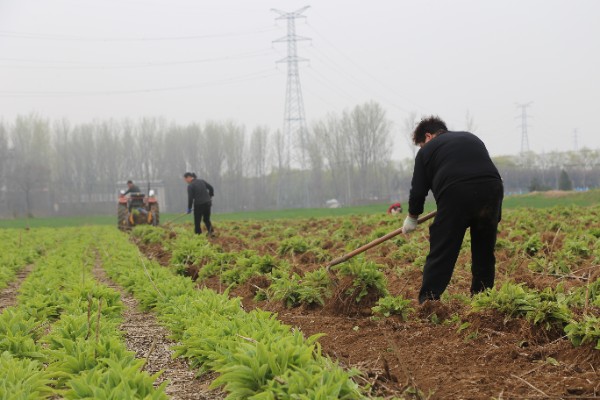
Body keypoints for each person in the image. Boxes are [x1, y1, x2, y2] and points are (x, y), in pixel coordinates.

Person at [402, 116, 503, 304]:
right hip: (492, 189)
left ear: (428, 136)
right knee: (484, 249)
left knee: (442, 248)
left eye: (421, 145)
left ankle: (429, 302)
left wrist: (412, 217)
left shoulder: (427, 151)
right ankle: (483, 299)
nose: (422, 148)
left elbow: (418, 190)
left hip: (457, 191)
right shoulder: (471, 138)